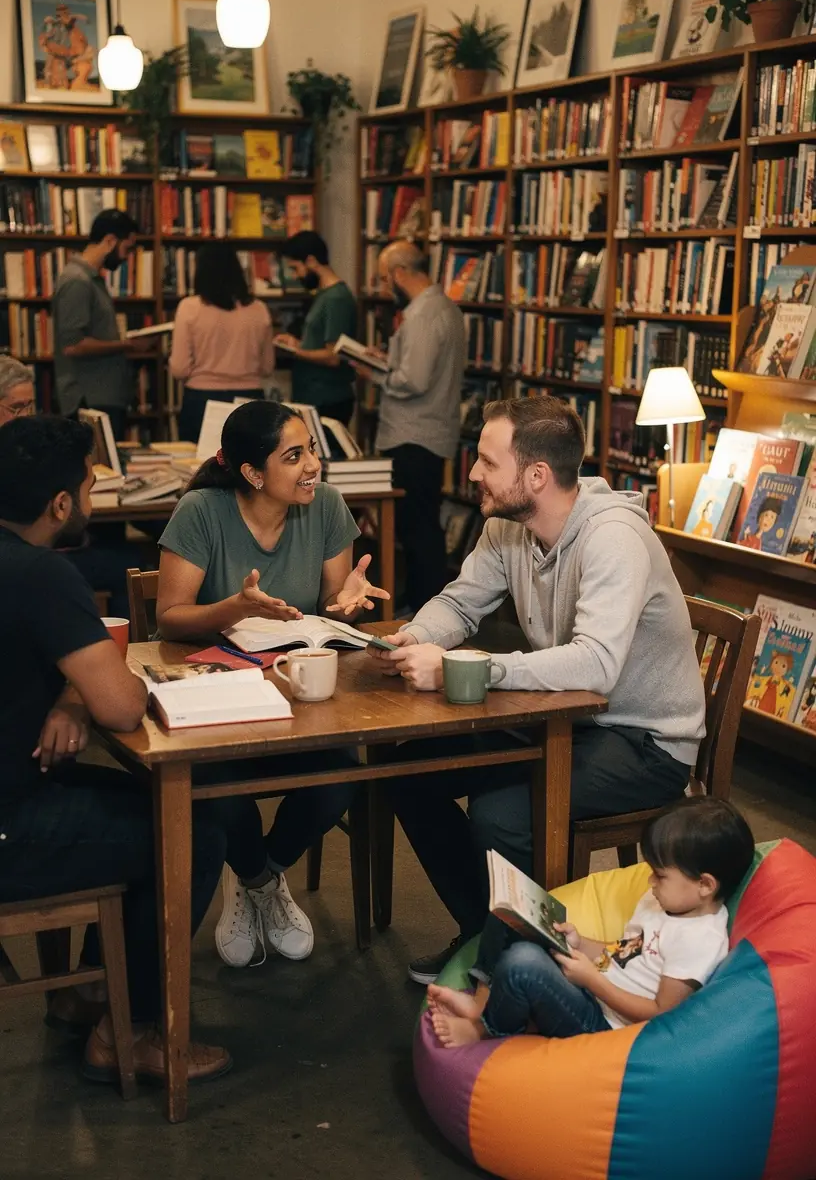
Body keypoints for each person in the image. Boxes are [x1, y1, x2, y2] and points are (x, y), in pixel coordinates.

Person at [368, 395, 706, 983]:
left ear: (536, 476)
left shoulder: (612, 538)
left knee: (501, 817)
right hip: (564, 719)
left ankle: (514, 963)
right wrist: (412, 638)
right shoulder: (508, 528)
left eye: (486, 462)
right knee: (410, 773)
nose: (472, 473)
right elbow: (460, 600)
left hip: (644, 741)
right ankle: (490, 936)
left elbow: (596, 664)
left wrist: (463, 669)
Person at [0, 415, 231, 1084]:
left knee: (139, 803)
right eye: (91, 486)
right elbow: (124, 705)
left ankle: (101, 993)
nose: (96, 499)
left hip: (17, 799)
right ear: (61, 505)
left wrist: (67, 698)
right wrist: (89, 690)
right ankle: (129, 1033)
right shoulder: (42, 576)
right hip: (13, 828)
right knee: (191, 830)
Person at [156, 400, 389, 967]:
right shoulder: (201, 510)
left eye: (312, 449)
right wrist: (233, 606)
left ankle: (260, 876)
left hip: (300, 689)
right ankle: (261, 884)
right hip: (220, 690)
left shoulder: (327, 505)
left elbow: (334, 607)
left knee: (342, 777)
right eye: (294, 455)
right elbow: (170, 616)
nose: (313, 464)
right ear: (252, 474)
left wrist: (350, 603)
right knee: (211, 783)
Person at [428, 797, 754, 1047]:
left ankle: (483, 1029)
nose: (651, 882)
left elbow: (661, 1014)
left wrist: (593, 982)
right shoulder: (661, 902)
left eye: (660, 875)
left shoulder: (699, 939)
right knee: (509, 914)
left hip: (603, 1025)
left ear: (705, 885)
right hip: (590, 989)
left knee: (522, 962)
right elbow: (623, 953)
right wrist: (579, 942)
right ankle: (481, 1002)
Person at [354, 240, 466, 614]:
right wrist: (389, 360)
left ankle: (423, 604)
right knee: (423, 522)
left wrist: (375, 373)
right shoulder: (445, 308)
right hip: (433, 430)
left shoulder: (421, 315)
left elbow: (413, 381)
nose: (387, 288)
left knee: (417, 528)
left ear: (400, 273)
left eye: (387, 279)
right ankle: (424, 600)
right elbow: (423, 369)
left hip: (413, 433)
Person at [0, 356, 136, 619]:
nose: (26, 417)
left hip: (26, 552)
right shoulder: (13, 452)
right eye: (17, 407)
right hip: (24, 558)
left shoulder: (21, 445)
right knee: (126, 562)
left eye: (30, 406)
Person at [52, 209, 149, 439]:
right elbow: (73, 345)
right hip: (89, 400)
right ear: (110, 241)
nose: (127, 257)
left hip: (100, 397)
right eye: (127, 248)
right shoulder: (77, 281)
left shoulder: (92, 279)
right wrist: (128, 345)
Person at [170, 244, 275, 443]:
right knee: (249, 465)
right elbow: (267, 367)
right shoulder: (259, 309)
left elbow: (179, 368)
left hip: (201, 398)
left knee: (200, 467)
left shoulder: (189, 307)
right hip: (250, 399)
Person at [275, 231, 358, 425]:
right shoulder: (324, 294)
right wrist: (297, 344)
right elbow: (319, 342)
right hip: (314, 395)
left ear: (311, 261)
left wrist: (296, 352)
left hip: (327, 398)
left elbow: (333, 356)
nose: (296, 276)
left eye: (296, 268)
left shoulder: (336, 298)